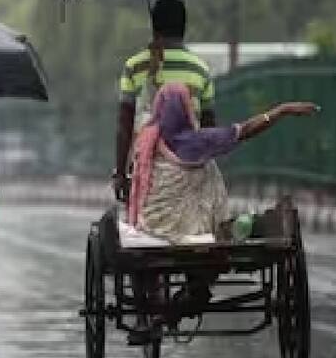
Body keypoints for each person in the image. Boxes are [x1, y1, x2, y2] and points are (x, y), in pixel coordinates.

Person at [127, 82, 318, 334]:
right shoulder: (201, 141)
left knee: (142, 259)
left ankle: (152, 308)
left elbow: (136, 180)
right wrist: (281, 110)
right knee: (208, 173)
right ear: (187, 111)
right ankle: (192, 294)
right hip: (197, 232)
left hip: (153, 227)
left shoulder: (145, 142)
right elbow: (247, 130)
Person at [114, 0, 215, 201]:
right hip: (188, 171)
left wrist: (121, 174)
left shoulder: (134, 67)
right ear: (184, 27)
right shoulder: (200, 70)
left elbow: (124, 124)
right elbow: (208, 129)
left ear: (154, 27)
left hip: (145, 172)